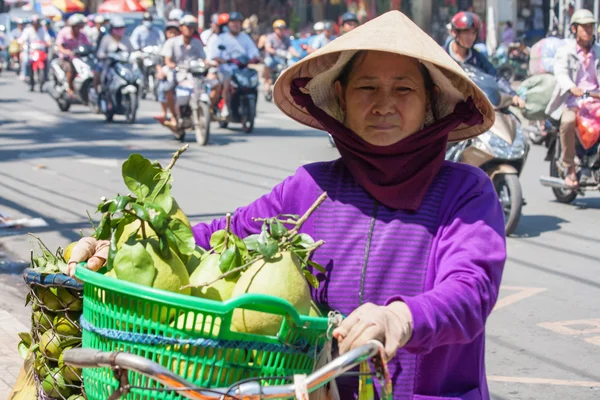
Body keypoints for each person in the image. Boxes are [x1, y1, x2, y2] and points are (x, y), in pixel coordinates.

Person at [68, 11, 506, 399]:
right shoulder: (309, 188)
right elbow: (220, 237)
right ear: (341, 97)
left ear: (430, 102)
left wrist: (400, 318)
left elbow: (471, 290)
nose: (384, 104)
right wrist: (124, 242)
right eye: (367, 86)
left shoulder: (464, 191)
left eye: (405, 89)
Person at [546, 9, 600, 188]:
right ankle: (569, 166)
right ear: (574, 29)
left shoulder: (598, 51)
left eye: (591, 26)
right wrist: (572, 87)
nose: (588, 30)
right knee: (568, 122)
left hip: (596, 101)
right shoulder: (565, 51)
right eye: (584, 27)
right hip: (573, 101)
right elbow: (560, 72)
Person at [445, 11, 524, 108]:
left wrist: (512, 94)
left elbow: (496, 77)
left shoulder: (477, 57)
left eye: (473, 33)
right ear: (454, 32)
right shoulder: (442, 54)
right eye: (466, 32)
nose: (470, 37)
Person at [159, 15, 207, 136]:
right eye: (187, 27)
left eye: (192, 27)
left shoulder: (197, 43)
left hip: (194, 74)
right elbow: (167, 60)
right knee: (168, 88)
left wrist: (209, 64)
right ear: (181, 28)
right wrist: (173, 66)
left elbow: (203, 59)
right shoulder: (172, 42)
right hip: (178, 73)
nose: (190, 29)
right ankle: (174, 117)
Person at [207, 11, 259, 117]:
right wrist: (224, 60)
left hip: (241, 68)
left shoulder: (245, 37)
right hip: (226, 68)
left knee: (253, 82)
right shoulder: (221, 38)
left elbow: (253, 51)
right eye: (232, 22)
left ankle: (250, 109)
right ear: (228, 24)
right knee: (228, 80)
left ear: (241, 24)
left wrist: (255, 58)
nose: (235, 24)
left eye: (237, 22)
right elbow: (214, 54)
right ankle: (226, 106)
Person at [95, 16, 134, 94]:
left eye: (121, 28)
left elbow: (132, 52)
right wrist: (106, 56)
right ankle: (99, 90)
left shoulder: (126, 40)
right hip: (109, 64)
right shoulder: (106, 39)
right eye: (117, 28)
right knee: (98, 72)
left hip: (123, 65)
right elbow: (100, 53)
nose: (120, 30)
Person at [55, 14, 90, 95]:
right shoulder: (64, 32)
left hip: (79, 58)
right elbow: (59, 45)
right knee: (70, 69)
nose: (78, 28)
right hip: (65, 58)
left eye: (80, 26)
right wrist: (66, 51)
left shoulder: (82, 34)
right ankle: (69, 88)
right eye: (77, 26)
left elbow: (88, 44)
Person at [155, 21, 181, 122]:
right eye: (171, 32)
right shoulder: (164, 45)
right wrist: (160, 71)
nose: (173, 35)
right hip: (167, 72)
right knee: (164, 88)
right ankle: (165, 112)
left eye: (175, 32)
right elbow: (159, 61)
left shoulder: (183, 43)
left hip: (182, 72)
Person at [18, 15, 52, 80]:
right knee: (25, 60)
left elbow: (48, 39)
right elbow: (22, 39)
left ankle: (46, 76)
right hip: (30, 51)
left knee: (47, 61)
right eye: (34, 23)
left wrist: (48, 43)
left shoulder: (42, 30)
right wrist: (22, 45)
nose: (35, 25)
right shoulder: (28, 30)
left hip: (40, 51)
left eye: (37, 23)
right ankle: (24, 75)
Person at [263, 19, 290, 94]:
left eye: (283, 28)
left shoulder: (286, 38)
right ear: (275, 29)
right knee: (267, 63)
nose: (281, 30)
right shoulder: (270, 37)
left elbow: (291, 48)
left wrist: (297, 54)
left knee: (290, 66)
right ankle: (266, 81)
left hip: (283, 59)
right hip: (272, 57)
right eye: (279, 29)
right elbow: (267, 48)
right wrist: (276, 52)